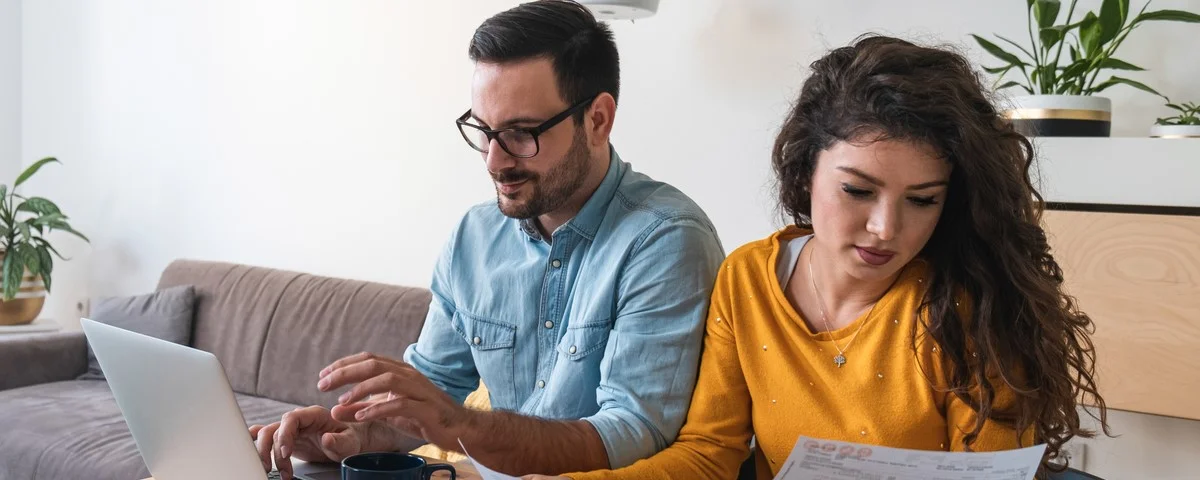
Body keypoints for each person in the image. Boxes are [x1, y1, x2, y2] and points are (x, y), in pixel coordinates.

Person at [530, 35, 1111, 480]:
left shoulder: (967, 305)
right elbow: (710, 454)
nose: (885, 228)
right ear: (805, 171)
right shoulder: (748, 279)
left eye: (923, 200)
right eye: (857, 191)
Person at [249, 1, 726, 478]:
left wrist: (459, 424)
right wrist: (355, 438)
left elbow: (631, 435)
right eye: (482, 129)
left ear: (598, 120)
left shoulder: (664, 241)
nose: (494, 162)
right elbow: (434, 391)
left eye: (521, 133)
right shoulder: (473, 237)